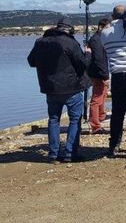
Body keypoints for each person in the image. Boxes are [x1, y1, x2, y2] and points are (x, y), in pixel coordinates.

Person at [27, 18, 91, 163]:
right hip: (71, 87)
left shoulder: (40, 42)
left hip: (50, 88)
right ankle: (70, 153)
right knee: (75, 119)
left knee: (53, 119)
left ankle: (53, 154)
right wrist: (88, 53)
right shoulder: (70, 42)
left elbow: (31, 61)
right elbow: (82, 64)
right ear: (69, 29)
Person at [101, 5, 126, 156]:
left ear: (112, 16)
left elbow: (105, 49)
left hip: (117, 75)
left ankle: (114, 145)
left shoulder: (105, 33)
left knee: (118, 112)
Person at [87, 18, 110, 134]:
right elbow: (98, 59)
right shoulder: (96, 40)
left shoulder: (101, 38)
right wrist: (105, 76)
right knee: (97, 98)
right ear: (101, 27)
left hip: (101, 71)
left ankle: (101, 116)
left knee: (103, 94)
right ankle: (95, 125)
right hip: (98, 73)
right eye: (108, 27)